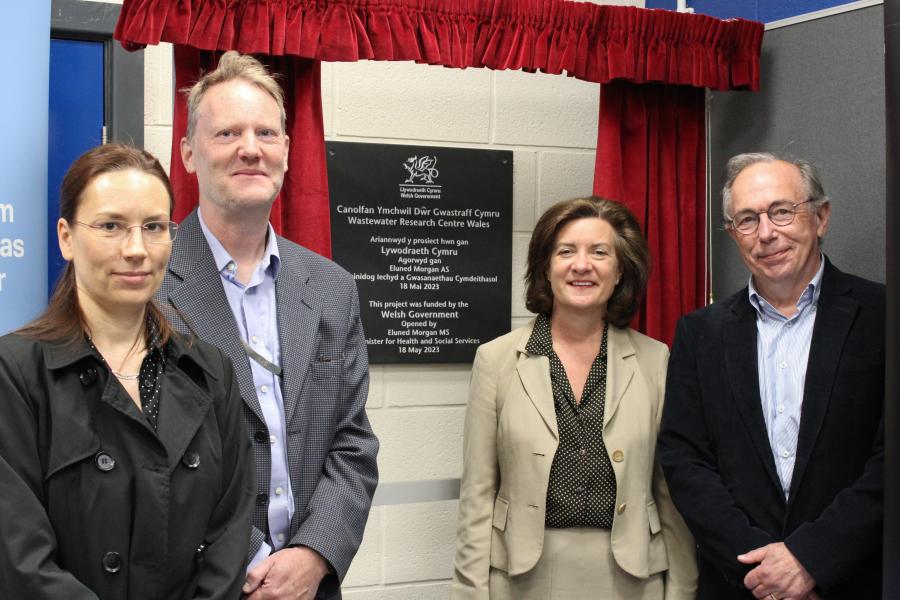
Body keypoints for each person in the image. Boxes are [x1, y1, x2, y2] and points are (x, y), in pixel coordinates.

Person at [157, 51, 378, 600]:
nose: (250, 149)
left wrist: (314, 554)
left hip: (312, 585)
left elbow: (352, 443)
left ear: (286, 150)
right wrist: (253, 559)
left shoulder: (331, 287)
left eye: (266, 133)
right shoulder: (149, 286)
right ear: (188, 153)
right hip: (199, 582)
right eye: (227, 132)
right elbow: (152, 457)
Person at [0, 144, 254, 598]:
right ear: (66, 237)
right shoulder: (15, 374)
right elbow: (21, 561)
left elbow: (230, 536)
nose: (136, 249)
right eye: (111, 226)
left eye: (153, 227)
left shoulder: (211, 372)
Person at [658, 153, 885, 599]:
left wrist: (810, 559)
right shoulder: (699, 333)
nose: (766, 234)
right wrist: (764, 568)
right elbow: (685, 460)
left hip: (854, 580)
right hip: (742, 584)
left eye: (781, 211)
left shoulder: (884, 316)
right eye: (747, 219)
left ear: (820, 217)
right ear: (732, 234)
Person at [452, 197, 697, 599]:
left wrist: (682, 590)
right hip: (521, 578)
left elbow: (670, 493)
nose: (581, 265)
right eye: (566, 251)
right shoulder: (495, 360)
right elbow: (477, 495)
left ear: (619, 271)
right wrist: (470, 593)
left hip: (634, 578)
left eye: (600, 253)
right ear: (545, 267)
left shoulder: (656, 360)